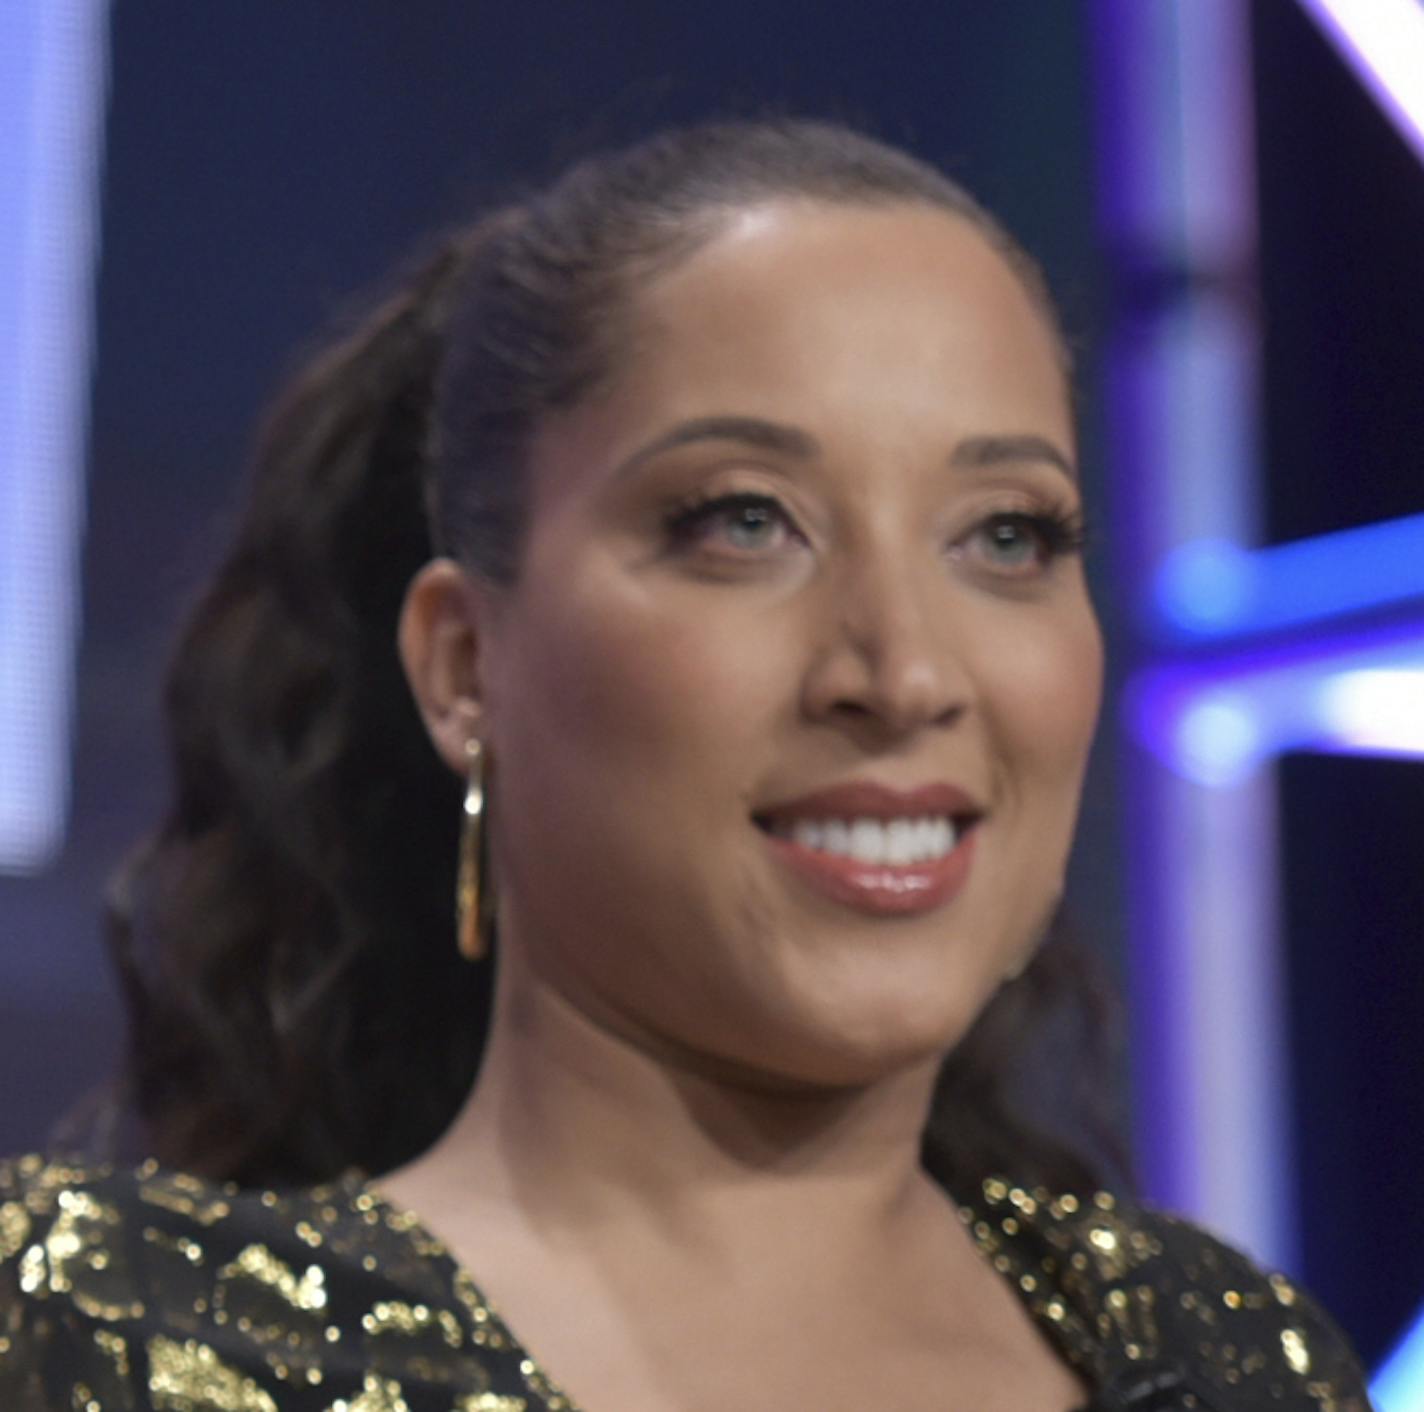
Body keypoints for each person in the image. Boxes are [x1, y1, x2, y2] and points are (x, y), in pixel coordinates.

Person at [0, 119, 1370, 1411]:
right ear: (464, 666)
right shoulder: (110, 1342)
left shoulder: (1225, 1361)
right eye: (745, 524)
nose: (903, 673)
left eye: (1005, 537)